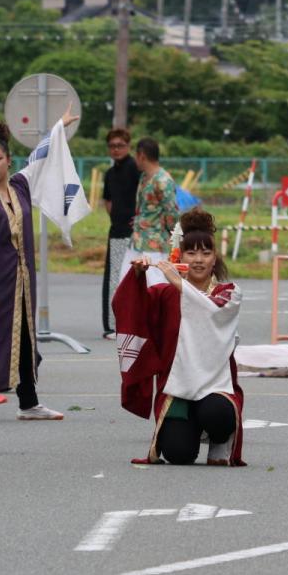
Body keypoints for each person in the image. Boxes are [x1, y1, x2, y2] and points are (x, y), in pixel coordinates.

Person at [113, 209, 245, 466]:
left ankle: (219, 440)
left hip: (216, 385)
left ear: (215, 258)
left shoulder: (229, 292)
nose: (199, 260)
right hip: (177, 388)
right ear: (180, 256)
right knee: (177, 454)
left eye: (206, 253)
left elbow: (209, 308)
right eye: (191, 253)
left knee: (217, 415)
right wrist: (137, 276)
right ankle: (188, 430)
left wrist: (177, 281)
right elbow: (131, 309)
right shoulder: (165, 294)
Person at [0, 119, 66, 421]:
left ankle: (29, 402)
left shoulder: (20, 186)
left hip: (22, 282)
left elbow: (40, 156)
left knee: (25, 338)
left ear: (9, 160)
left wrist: (59, 127)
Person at [118, 137, 178, 288]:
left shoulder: (163, 180)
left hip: (155, 244)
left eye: (136, 156)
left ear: (142, 156)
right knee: (126, 283)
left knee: (155, 285)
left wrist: (172, 238)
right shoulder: (144, 177)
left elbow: (172, 213)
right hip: (137, 241)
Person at [101, 127, 139, 339]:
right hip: (116, 230)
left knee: (133, 277)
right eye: (112, 146)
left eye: (120, 145)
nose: (116, 149)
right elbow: (107, 200)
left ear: (128, 146)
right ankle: (113, 325)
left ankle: (130, 323)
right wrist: (116, 216)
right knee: (114, 279)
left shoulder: (135, 168)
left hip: (135, 232)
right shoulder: (110, 173)